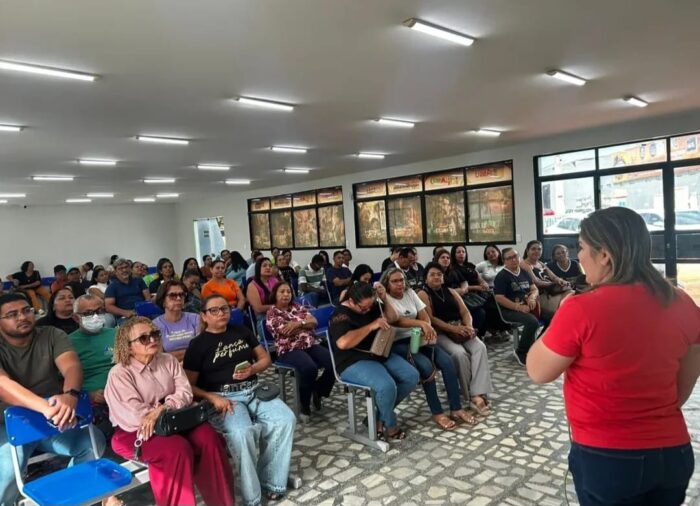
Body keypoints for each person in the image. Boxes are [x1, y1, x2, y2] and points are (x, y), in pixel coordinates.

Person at [527, 207, 700, 506]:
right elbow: (685, 381)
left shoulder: (581, 308)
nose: (579, 257)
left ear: (604, 254)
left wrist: (561, 316)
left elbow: (538, 371)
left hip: (607, 459)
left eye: (582, 248)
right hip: (673, 453)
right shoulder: (680, 300)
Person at [105, 317, 235, 506]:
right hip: (135, 430)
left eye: (155, 334)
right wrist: (162, 412)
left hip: (177, 419)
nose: (152, 340)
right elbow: (134, 414)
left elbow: (185, 392)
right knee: (176, 449)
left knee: (209, 439)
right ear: (129, 346)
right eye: (143, 338)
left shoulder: (168, 360)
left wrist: (164, 408)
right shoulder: (120, 373)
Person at [184, 294, 296, 505]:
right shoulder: (198, 345)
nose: (221, 313)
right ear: (204, 316)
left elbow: (265, 358)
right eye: (214, 310)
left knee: (285, 419)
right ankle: (252, 497)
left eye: (224, 309)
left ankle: (271, 481)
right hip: (225, 399)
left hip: (253, 391)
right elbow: (189, 386)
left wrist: (252, 369)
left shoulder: (241, 331)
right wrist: (212, 397)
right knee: (241, 434)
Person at [0, 293, 108, 506]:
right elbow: (4, 386)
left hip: (54, 419)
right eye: (12, 314)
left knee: (93, 443)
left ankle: (69, 497)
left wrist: (70, 395)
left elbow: (71, 366)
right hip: (8, 425)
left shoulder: (51, 334)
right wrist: (45, 408)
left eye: (27, 310)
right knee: (9, 472)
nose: (22, 317)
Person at [382, 268, 476, 429]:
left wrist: (425, 324)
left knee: (447, 363)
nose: (399, 284)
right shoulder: (385, 298)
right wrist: (421, 324)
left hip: (418, 337)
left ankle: (456, 408)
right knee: (427, 368)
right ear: (387, 283)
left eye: (401, 280)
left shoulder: (410, 293)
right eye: (395, 281)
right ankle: (437, 412)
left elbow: (424, 315)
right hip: (399, 342)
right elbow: (395, 320)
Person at [329, 282, 419, 441]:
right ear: (351, 301)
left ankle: (376, 418)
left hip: (378, 352)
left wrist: (384, 298)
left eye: (370, 306)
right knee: (386, 386)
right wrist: (371, 326)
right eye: (363, 308)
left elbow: (393, 318)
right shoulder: (341, 314)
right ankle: (390, 425)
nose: (367, 310)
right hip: (352, 359)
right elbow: (343, 343)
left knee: (411, 376)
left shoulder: (371, 304)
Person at [418, 262, 493, 416]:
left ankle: (478, 392)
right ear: (426, 278)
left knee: (480, 347)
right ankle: (470, 395)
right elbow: (431, 319)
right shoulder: (423, 294)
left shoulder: (451, 291)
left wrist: (469, 326)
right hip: (441, 333)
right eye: (432, 274)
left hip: (460, 329)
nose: (436, 277)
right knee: (459, 353)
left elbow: (465, 312)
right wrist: (453, 329)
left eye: (439, 274)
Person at [266, 282, 335, 417]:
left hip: (309, 344)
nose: (286, 294)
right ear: (275, 294)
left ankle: (318, 390)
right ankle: (304, 403)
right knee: (309, 368)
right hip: (289, 349)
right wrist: (305, 325)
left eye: (288, 291)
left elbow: (314, 322)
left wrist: (298, 323)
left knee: (332, 362)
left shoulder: (297, 306)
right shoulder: (272, 313)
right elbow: (287, 332)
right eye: (282, 291)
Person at [494, 247, 554, 366]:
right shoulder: (502, 276)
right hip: (510, 310)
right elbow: (499, 298)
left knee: (554, 318)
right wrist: (518, 307)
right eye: (509, 258)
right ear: (504, 261)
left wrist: (532, 297)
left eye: (515, 256)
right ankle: (521, 352)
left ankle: (536, 346)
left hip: (528, 306)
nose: (513, 259)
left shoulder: (523, 272)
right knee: (532, 321)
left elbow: (534, 289)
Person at [68, 294, 116, 435]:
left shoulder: (117, 334)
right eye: (88, 313)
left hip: (122, 391)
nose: (95, 316)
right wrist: (88, 395)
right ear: (76, 318)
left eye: (99, 311)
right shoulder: (67, 342)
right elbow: (62, 380)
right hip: (92, 400)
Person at [520, 240, 574, 312]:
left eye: (539, 249)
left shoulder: (540, 263)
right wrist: (553, 284)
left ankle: (561, 313)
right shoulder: (524, 264)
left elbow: (554, 277)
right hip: (540, 295)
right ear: (527, 251)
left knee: (572, 293)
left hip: (551, 292)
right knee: (570, 300)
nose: (537, 251)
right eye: (533, 249)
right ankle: (560, 313)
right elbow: (536, 282)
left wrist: (562, 281)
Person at [153, 280, 199, 361]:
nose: (178, 298)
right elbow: (159, 358)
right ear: (163, 300)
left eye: (181, 295)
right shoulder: (155, 325)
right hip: (168, 366)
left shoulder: (196, 318)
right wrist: (190, 352)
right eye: (172, 295)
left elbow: (202, 349)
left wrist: (171, 354)